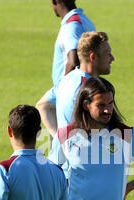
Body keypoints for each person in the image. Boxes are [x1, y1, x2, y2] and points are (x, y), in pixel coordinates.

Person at [35, 0, 95, 137]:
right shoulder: (84, 20)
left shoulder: (71, 26)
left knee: (43, 108)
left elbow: (73, 60)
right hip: (85, 91)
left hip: (71, 95)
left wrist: (62, 90)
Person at [39, 31, 114, 137]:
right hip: (81, 151)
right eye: (108, 54)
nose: (112, 58)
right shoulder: (88, 88)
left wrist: (58, 138)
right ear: (93, 57)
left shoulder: (66, 80)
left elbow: (42, 105)